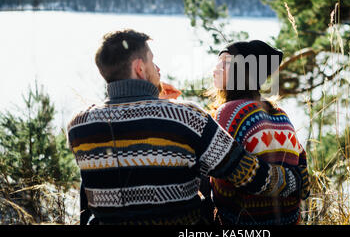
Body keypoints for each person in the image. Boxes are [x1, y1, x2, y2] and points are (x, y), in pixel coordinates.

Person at [67, 29, 308, 225]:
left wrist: (153, 103)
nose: (159, 70)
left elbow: (129, 132)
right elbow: (249, 175)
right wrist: (296, 180)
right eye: (153, 62)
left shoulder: (78, 125)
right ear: (140, 68)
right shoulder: (187, 116)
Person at [206, 40, 310, 225]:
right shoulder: (281, 114)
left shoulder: (230, 113)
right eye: (217, 62)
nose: (215, 69)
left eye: (225, 64)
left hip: (244, 223)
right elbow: (303, 175)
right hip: (288, 220)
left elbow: (211, 167)